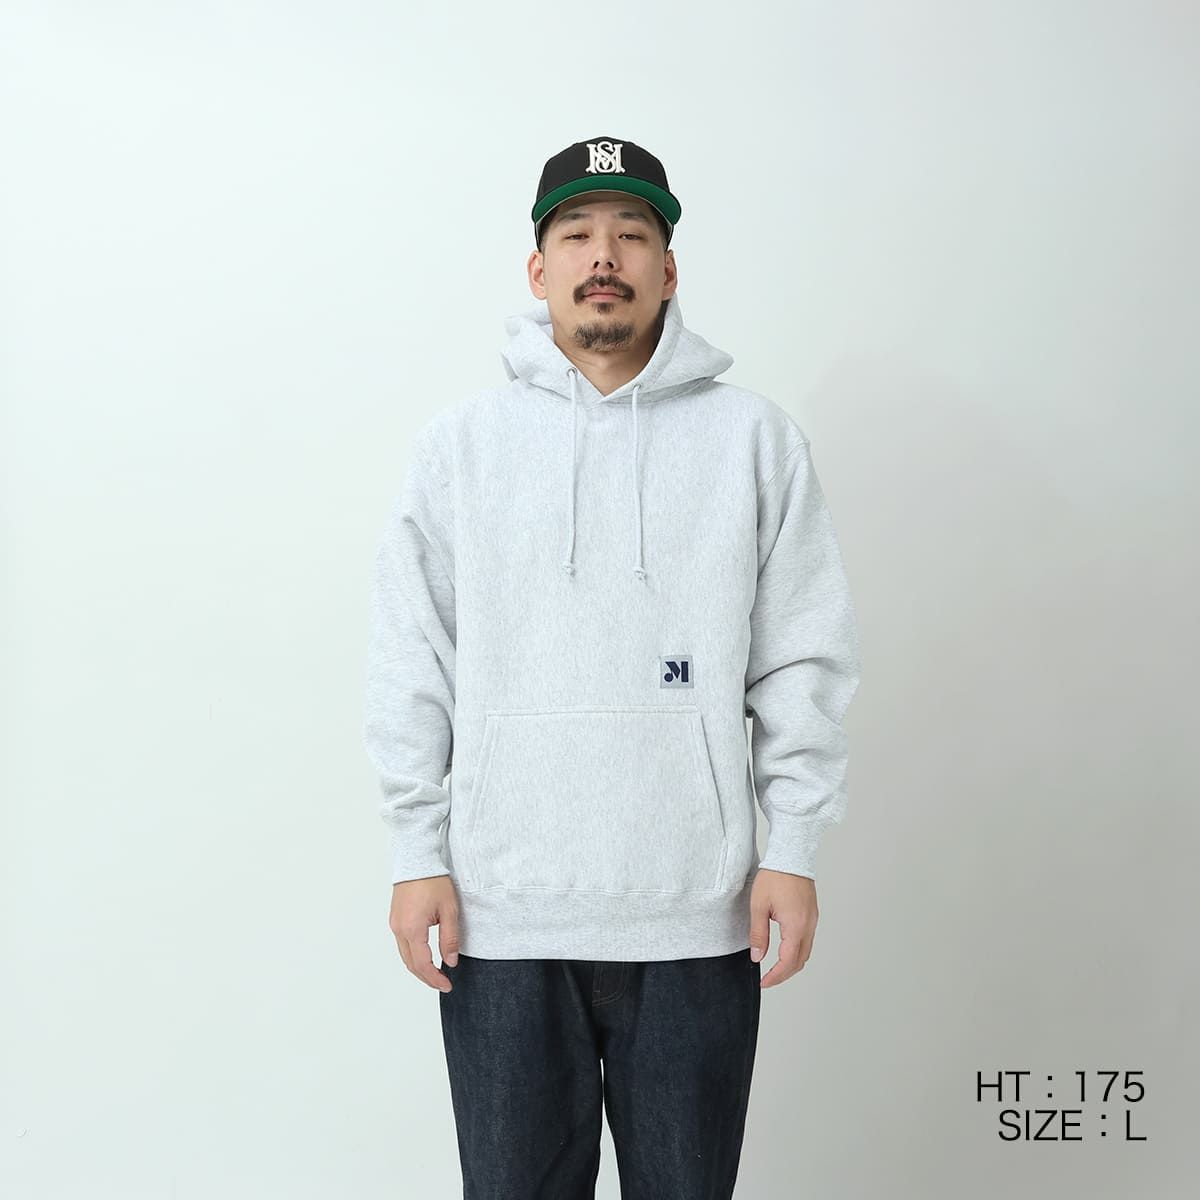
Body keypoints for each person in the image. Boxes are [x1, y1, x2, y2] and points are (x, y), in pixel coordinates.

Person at [362, 135, 861, 1199]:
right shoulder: (459, 448)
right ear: (537, 269)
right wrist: (414, 850)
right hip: (501, 912)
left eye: (632, 235)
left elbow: (802, 658)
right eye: (577, 234)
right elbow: (413, 658)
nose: (604, 256)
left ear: (667, 270)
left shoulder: (755, 442)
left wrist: (794, 847)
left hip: (698, 911)